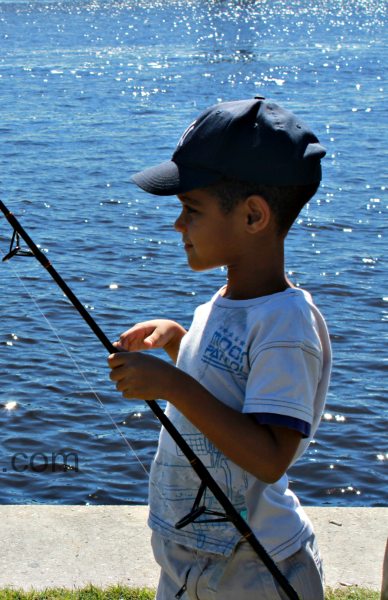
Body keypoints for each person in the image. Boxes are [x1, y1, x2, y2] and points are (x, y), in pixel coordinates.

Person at [107, 97, 331, 600]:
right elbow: (227, 385)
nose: (177, 225)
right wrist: (177, 343)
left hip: (255, 567)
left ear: (253, 216)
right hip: (195, 556)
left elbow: (271, 456)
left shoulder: (286, 325)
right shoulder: (225, 301)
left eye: (191, 210)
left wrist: (172, 385)